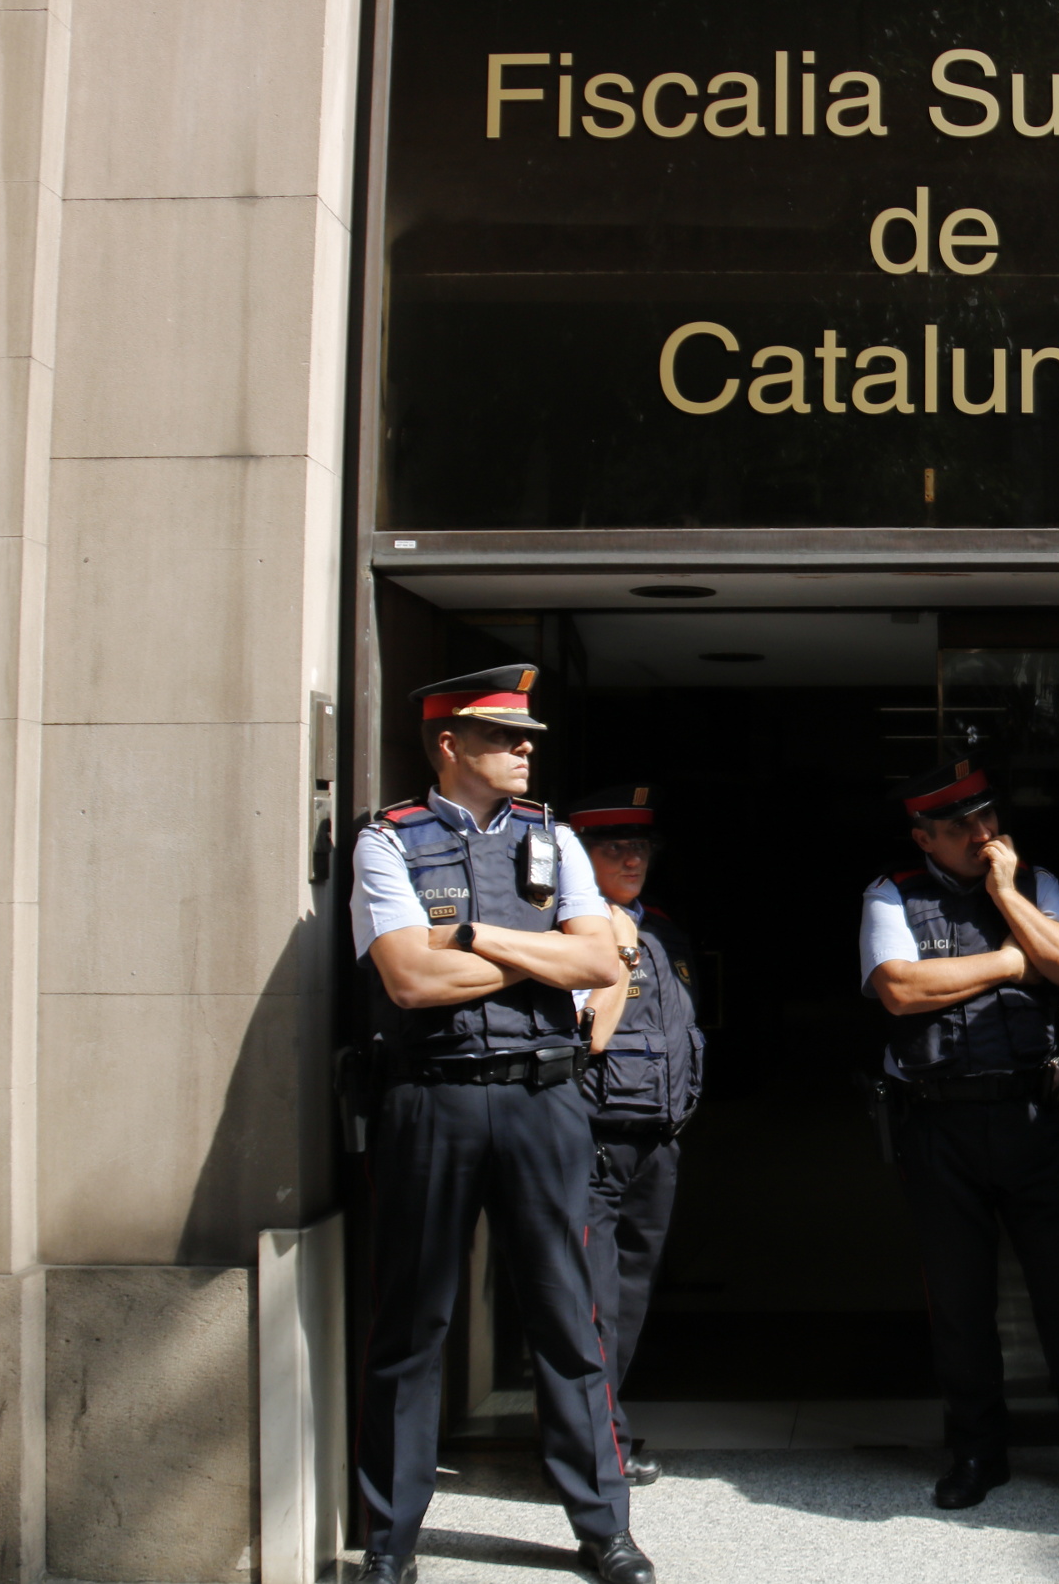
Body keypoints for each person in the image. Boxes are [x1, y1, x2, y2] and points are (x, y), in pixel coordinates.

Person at [348, 665, 655, 1584]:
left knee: (569, 1317)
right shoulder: (387, 842)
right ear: (449, 745)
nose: (526, 749)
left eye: (527, 738)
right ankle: (390, 1541)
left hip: (542, 1097)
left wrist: (477, 938)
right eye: (504, 735)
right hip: (431, 1099)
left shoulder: (556, 837)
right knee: (413, 1323)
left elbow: (600, 960)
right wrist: (539, 957)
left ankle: (604, 1528)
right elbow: (408, 979)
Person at [859, 757, 1059, 1512]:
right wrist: (1011, 960)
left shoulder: (1033, 883)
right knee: (962, 1299)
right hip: (937, 1121)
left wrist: (1006, 895)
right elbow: (901, 989)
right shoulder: (892, 892)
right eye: (962, 826)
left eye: (989, 819)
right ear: (924, 837)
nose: (984, 833)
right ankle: (976, 1453)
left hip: (1032, 1117)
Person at [571, 785, 704, 1492]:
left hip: (657, 1137)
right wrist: (612, 952)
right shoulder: (569, 929)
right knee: (591, 1304)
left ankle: (604, 1432)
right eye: (613, 847)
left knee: (628, 1293)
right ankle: (597, 1453)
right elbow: (585, 1033)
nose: (632, 857)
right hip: (593, 1138)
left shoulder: (663, 929)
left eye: (640, 847)